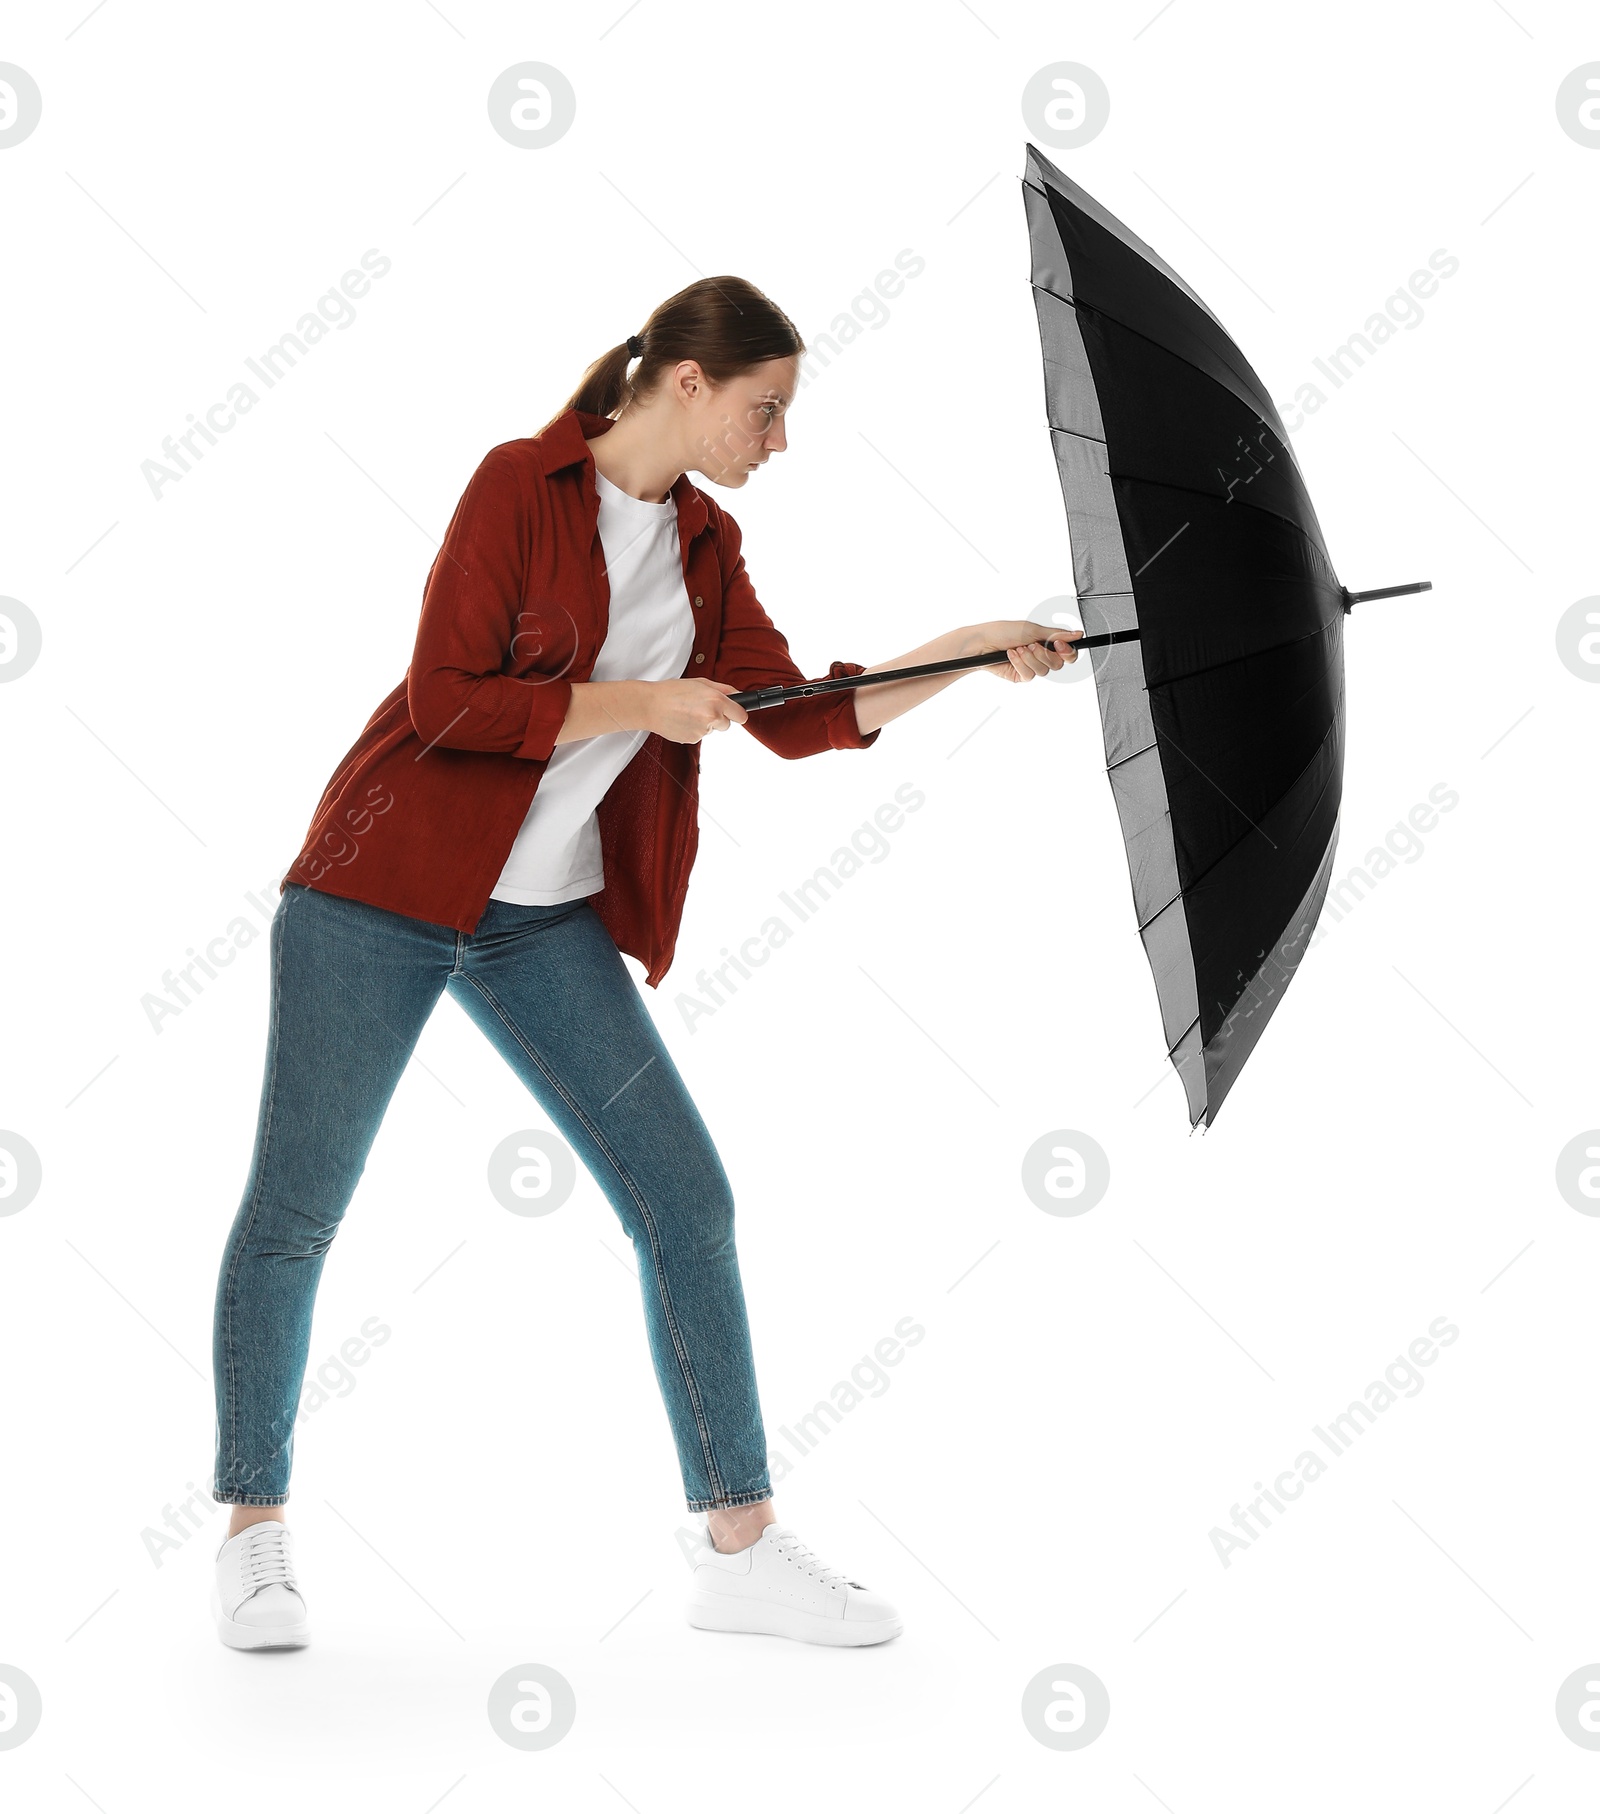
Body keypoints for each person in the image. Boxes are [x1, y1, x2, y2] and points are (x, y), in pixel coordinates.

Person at [208, 274, 1079, 1653]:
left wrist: (972, 652)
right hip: (379, 890)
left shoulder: (705, 546)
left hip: (540, 918)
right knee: (298, 1211)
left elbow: (797, 716)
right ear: (687, 382)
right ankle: (254, 1533)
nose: (776, 439)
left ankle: (738, 1541)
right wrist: (642, 704)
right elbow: (447, 698)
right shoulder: (520, 483)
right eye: (766, 408)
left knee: (687, 1197)